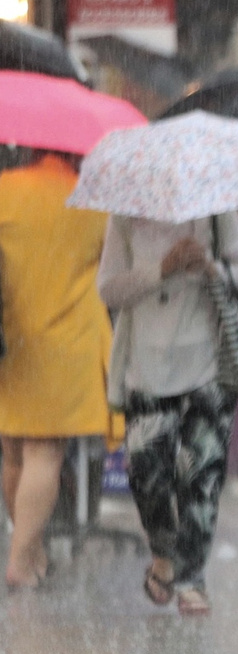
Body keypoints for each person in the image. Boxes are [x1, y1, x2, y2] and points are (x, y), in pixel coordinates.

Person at [98, 211, 238, 616]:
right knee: (147, 470)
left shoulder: (215, 212)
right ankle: (163, 553)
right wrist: (163, 268)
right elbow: (109, 290)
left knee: (200, 472)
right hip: (146, 369)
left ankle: (191, 576)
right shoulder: (125, 215)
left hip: (208, 367)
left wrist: (213, 269)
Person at [0, 151, 113, 589]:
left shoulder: (6, 189)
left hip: (11, 339)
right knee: (44, 454)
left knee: (13, 452)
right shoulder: (89, 200)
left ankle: (32, 549)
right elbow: (111, 266)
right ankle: (21, 559)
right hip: (65, 343)